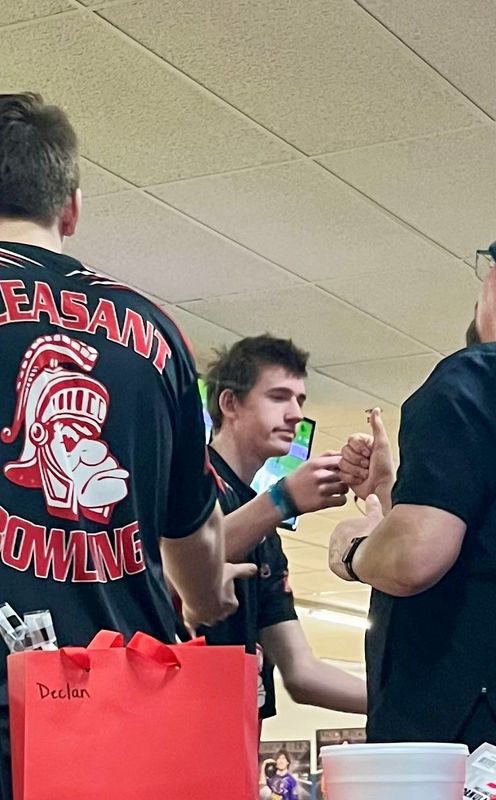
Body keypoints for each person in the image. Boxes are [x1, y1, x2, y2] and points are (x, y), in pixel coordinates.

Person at [0, 93, 249, 799]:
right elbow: (194, 528)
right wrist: (203, 601)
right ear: (70, 208)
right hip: (114, 709)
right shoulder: (155, 331)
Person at [329, 189, 496, 761]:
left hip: (467, 740)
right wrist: (389, 495)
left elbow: (412, 562)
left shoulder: (481, 375)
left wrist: (354, 550)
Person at [201, 335, 367, 722]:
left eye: (299, 400)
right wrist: (282, 501)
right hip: (172, 740)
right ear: (230, 404)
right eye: (278, 397)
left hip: (235, 744)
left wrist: (405, 704)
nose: (294, 413)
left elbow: (302, 673)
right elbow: (179, 564)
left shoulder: (266, 535)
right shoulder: (181, 484)